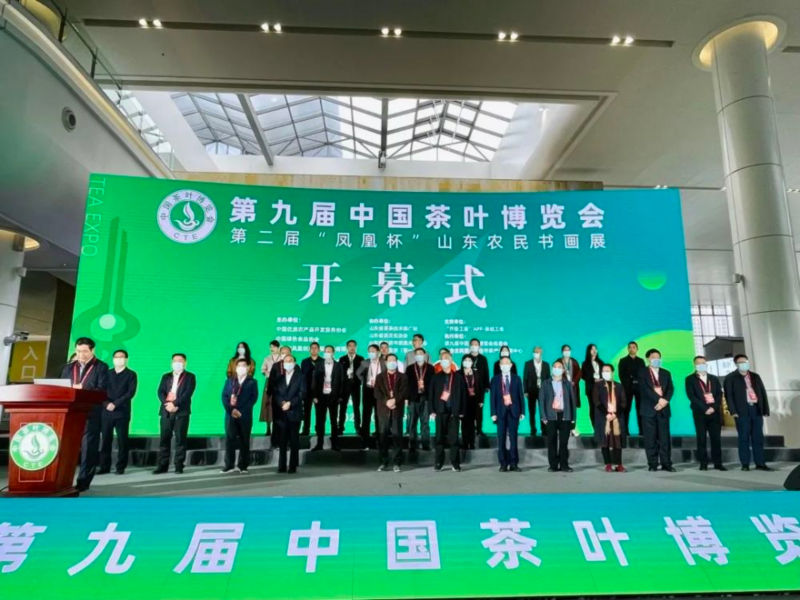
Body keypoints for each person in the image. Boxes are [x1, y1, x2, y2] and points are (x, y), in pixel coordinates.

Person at [61, 337, 110, 491]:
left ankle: (83, 482)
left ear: (92, 351)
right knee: (66, 447)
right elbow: (61, 388)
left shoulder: (101, 367)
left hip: (90, 412)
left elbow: (101, 390)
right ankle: (62, 480)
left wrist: (82, 389)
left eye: (84, 351)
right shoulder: (68, 368)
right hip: (70, 413)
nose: (81, 354)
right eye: (78, 351)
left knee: (88, 447)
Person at [723, 354, 772, 471]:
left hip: (756, 410)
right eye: (741, 362)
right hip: (741, 411)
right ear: (736, 364)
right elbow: (729, 396)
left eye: (745, 362)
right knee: (744, 438)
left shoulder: (755, 376)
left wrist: (765, 409)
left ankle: (760, 463)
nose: (744, 364)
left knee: (758, 437)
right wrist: (733, 411)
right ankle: (745, 463)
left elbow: (762, 392)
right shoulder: (730, 377)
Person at [154, 353, 196, 474]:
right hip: (166, 411)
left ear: (185, 363)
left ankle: (179, 465)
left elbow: (187, 393)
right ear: (172, 362)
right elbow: (160, 391)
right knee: (164, 439)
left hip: (181, 411)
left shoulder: (190, 377)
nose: (177, 363)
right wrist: (167, 404)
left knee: (180, 439)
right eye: (175, 361)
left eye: (180, 360)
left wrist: (175, 404)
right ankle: (163, 465)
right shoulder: (166, 376)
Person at [98, 349, 137, 475]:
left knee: (122, 440)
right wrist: (106, 404)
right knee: (105, 440)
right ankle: (104, 466)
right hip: (106, 411)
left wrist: (115, 403)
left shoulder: (131, 374)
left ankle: (120, 467)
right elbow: (100, 391)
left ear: (126, 359)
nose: (119, 359)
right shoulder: (107, 373)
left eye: (121, 357)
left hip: (122, 412)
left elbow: (130, 393)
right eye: (116, 357)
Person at [685, 356, 726, 471]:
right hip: (700, 413)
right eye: (698, 363)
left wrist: (713, 407)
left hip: (714, 413)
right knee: (701, 438)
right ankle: (703, 463)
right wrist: (704, 408)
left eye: (703, 363)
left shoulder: (713, 378)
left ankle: (718, 463)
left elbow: (719, 394)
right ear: (694, 365)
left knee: (716, 439)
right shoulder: (690, 379)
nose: (701, 365)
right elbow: (691, 396)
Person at [638, 348, 675, 472]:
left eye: (658, 357)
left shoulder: (666, 373)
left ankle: (666, 463)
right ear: (648, 358)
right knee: (650, 438)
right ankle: (653, 464)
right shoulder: (642, 372)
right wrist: (659, 399)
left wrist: (664, 401)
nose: (656, 359)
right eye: (654, 357)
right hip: (648, 410)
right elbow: (645, 389)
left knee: (665, 439)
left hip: (663, 409)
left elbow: (670, 389)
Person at [220, 358, 258, 473]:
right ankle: (229, 465)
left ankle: (243, 465)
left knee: (244, 440)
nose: (241, 367)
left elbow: (253, 398)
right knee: (229, 440)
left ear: (248, 367)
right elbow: (224, 397)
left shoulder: (252, 382)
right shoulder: (229, 381)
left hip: (244, 415)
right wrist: (231, 410)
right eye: (239, 365)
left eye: (244, 365)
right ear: (235, 367)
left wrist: (240, 411)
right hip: (230, 415)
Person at [428, 351, 464, 471]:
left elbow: (463, 395)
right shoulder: (435, 377)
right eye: (442, 359)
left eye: (447, 358)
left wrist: (461, 410)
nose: (445, 361)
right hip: (440, 411)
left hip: (454, 412)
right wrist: (432, 410)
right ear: (440, 361)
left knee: (454, 439)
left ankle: (455, 463)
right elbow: (431, 395)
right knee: (439, 438)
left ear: (451, 360)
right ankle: (439, 462)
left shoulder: (458, 377)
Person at [539, 359, 577, 472]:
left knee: (564, 442)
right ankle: (553, 465)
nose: (557, 369)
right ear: (552, 369)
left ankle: (564, 465)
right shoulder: (545, 383)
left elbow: (572, 401)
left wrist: (573, 417)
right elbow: (541, 401)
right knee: (552, 442)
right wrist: (543, 416)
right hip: (551, 416)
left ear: (563, 370)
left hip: (565, 416)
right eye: (555, 367)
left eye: (559, 367)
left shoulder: (567, 384)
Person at [490, 356, 525, 472]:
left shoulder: (517, 378)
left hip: (514, 411)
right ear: (500, 366)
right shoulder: (495, 379)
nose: (505, 365)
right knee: (501, 438)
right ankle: (503, 464)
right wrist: (493, 412)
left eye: (507, 363)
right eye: (503, 363)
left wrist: (522, 411)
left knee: (513, 438)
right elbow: (492, 397)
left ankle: (514, 463)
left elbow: (521, 396)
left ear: (511, 365)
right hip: (500, 412)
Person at [374, 353, 409, 471]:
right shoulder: (380, 377)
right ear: (386, 362)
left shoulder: (403, 377)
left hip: (397, 409)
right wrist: (386, 401)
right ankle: (383, 462)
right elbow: (377, 392)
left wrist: (394, 400)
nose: (392, 362)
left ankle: (397, 463)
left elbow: (404, 392)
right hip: (383, 410)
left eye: (394, 360)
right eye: (390, 360)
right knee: (383, 436)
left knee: (397, 436)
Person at [272, 354, 305, 473]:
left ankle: (292, 466)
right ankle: (281, 466)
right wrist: (282, 403)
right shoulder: (279, 377)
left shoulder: (301, 376)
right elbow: (276, 393)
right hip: (281, 413)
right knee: (282, 441)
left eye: (290, 360)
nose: (288, 363)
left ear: (294, 363)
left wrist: (290, 403)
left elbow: (302, 393)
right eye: (286, 361)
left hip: (294, 412)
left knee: (294, 440)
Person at [592, 364, 627, 472]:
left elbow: (624, 402)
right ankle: (608, 464)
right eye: (603, 371)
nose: (605, 373)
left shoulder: (619, 386)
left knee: (617, 441)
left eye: (608, 371)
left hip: (617, 417)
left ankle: (619, 464)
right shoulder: (598, 385)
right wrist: (606, 413)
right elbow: (596, 401)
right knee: (605, 441)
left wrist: (615, 414)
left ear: (612, 372)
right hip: (603, 417)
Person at [312, 345, 344, 451]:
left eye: (329, 351)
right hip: (321, 396)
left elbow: (341, 381)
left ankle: (335, 444)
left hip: (333, 396)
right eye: (326, 351)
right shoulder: (318, 364)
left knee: (334, 421)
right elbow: (314, 381)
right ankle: (319, 444)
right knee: (320, 421)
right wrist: (314, 395)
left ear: (333, 353)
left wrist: (340, 396)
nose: (327, 353)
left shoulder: (338, 365)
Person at [406, 347, 433, 457]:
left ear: (424, 355)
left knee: (425, 422)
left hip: (425, 398)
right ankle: (412, 445)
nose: (419, 355)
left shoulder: (430, 368)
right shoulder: (410, 368)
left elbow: (432, 384)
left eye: (421, 353)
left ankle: (426, 444)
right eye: (417, 354)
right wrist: (407, 398)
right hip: (413, 399)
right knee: (412, 423)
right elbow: (407, 384)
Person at [356, 343, 384, 446]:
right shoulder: (365, 362)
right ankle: (365, 439)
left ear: (378, 352)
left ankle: (379, 439)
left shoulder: (384, 362)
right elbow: (358, 373)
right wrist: (364, 381)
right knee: (366, 415)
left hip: (380, 391)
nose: (371, 353)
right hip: (368, 390)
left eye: (373, 351)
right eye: (370, 351)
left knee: (379, 415)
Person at [462, 338, 491, 436]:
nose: (474, 346)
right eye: (472, 344)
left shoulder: (483, 358)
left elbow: (486, 372)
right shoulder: (466, 357)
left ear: (479, 346)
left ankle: (479, 429)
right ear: (470, 346)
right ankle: (469, 429)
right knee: (467, 410)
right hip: (467, 387)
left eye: (476, 344)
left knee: (479, 409)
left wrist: (487, 386)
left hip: (479, 387)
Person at [618, 341, 646, 435]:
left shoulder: (641, 361)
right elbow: (622, 375)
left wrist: (637, 381)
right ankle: (625, 431)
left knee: (640, 409)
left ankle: (642, 431)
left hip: (639, 388)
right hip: (627, 389)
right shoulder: (623, 360)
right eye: (630, 347)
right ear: (628, 349)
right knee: (626, 410)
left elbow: (643, 375)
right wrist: (631, 381)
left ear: (637, 349)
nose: (631, 349)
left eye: (634, 347)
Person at [461, 354, 487, 450]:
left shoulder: (476, 373)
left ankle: (472, 443)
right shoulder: (458, 374)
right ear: (462, 362)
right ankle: (465, 443)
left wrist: (481, 400)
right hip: (463, 402)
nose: (467, 362)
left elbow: (480, 388)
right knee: (464, 423)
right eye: (465, 360)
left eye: (469, 360)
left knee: (472, 423)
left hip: (474, 401)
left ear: (472, 363)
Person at [522, 346, 550, 437]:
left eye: (537, 352)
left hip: (543, 391)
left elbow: (548, 379)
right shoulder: (528, 364)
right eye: (534, 352)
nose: (536, 353)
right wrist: (525, 391)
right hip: (531, 391)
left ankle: (544, 429)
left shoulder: (546, 364)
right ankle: (533, 429)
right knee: (532, 411)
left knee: (543, 411)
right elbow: (525, 378)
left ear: (541, 353)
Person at [338, 339, 363, 436]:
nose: (352, 348)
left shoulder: (360, 359)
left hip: (356, 385)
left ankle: (358, 427)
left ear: (356, 347)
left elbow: (363, 373)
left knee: (356, 407)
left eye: (353, 346)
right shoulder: (342, 359)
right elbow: (340, 374)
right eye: (350, 346)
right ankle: (340, 427)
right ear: (347, 347)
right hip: (345, 386)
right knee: (343, 407)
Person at [557, 344, 582, 434]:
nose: (567, 352)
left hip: (573, 388)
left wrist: (574, 382)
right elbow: (556, 373)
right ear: (562, 352)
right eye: (565, 350)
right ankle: (561, 428)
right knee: (562, 409)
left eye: (568, 350)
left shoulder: (574, 361)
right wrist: (565, 382)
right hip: (562, 389)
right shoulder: (558, 362)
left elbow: (579, 373)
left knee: (573, 409)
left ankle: (573, 428)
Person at [300, 342, 323, 436]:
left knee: (319, 412)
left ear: (319, 350)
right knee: (306, 412)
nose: (314, 349)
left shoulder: (323, 361)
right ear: (309, 350)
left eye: (316, 348)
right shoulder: (304, 361)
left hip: (319, 391)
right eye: (312, 348)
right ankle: (306, 430)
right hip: (307, 390)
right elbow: (302, 377)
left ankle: (319, 430)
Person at [259, 340, 281, 435]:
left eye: (274, 347)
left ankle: (278, 428)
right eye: (271, 347)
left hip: (280, 382)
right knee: (267, 403)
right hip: (269, 382)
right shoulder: (267, 358)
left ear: (278, 347)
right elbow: (262, 370)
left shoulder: (282, 357)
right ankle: (268, 428)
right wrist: (267, 374)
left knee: (278, 404)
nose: (272, 348)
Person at [581, 344, 604, 433]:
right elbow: (583, 376)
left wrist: (601, 379)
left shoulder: (601, 362)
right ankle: (595, 428)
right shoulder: (585, 363)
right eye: (592, 349)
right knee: (593, 407)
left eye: (595, 349)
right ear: (589, 351)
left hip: (601, 388)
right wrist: (593, 379)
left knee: (601, 407)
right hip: (591, 388)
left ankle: (602, 427)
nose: (594, 351)